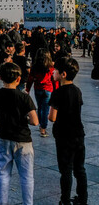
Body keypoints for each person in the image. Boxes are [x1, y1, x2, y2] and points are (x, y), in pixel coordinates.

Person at [0, 62, 38, 205]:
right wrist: (24, 119)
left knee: (3, 173)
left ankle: (2, 203)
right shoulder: (24, 97)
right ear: (18, 79)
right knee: (27, 176)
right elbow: (35, 121)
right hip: (23, 141)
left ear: (1, 78)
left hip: (4, 138)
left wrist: (1, 117)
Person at [49, 57, 87, 205]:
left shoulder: (58, 93)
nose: (53, 72)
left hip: (64, 135)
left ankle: (65, 200)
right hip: (78, 133)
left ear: (63, 74)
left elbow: (52, 117)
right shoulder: (77, 91)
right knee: (80, 169)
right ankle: (82, 199)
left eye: (55, 71)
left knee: (66, 170)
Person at [26, 48, 54, 138]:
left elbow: (30, 79)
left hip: (38, 88)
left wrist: (28, 89)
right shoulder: (50, 67)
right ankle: (43, 128)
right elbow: (54, 79)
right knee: (46, 109)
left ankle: (40, 124)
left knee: (40, 107)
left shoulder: (34, 67)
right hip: (48, 89)